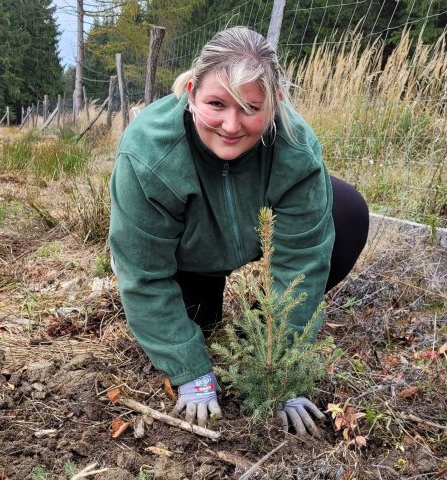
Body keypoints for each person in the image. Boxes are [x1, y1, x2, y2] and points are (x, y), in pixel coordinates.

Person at [109, 27, 369, 436]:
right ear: (191, 93)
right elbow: (143, 273)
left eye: (251, 108)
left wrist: (280, 370)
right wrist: (189, 369)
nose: (231, 125)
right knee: (200, 326)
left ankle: (259, 326)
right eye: (216, 104)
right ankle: (207, 312)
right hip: (187, 258)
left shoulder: (294, 146)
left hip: (254, 235)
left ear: (275, 104)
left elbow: (304, 260)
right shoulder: (148, 152)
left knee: (348, 210)